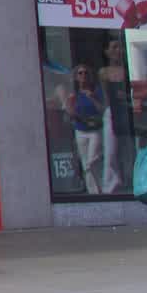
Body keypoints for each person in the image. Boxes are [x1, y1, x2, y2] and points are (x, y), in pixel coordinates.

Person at [64, 64, 114, 195]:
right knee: (86, 164)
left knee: (93, 160)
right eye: (80, 73)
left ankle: (103, 187)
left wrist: (92, 97)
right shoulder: (74, 94)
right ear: (76, 77)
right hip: (81, 130)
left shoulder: (96, 91)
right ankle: (94, 192)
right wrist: (70, 106)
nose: (83, 76)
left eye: (86, 73)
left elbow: (103, 109)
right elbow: (70, 112)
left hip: (95, 131)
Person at [99, 36, 137, 191]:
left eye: (119, 47)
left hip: (126, 110)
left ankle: (130, 180)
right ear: (107, 51)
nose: (117, 51)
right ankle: (111, 184)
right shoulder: (104, 72)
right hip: (112, 111)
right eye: (113, 47)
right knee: (110, 150)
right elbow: (105, 95)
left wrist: (126, 98)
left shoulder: (127, 70)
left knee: (128, 148)